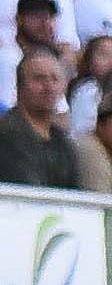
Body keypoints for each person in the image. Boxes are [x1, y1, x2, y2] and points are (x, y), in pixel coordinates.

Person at [0, 44, 77, 187]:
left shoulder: (64, 143)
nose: (49, 87)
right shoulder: (5, 134)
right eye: (39, 79)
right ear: (19, 86)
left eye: (55, 79)